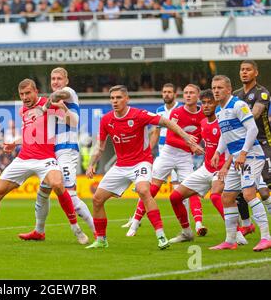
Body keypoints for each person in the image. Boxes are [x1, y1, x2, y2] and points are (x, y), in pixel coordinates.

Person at [0, 78, 87, 244]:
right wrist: (15, 142)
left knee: (58, 185)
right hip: (24, 158)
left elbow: (74, 122)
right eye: (21, 94)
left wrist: (63, 108)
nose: (25, 97)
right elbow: (30, 133)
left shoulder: (49, 103)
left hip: (45, 158)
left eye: (28, 93)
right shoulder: (23, 110)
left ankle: (77, 229)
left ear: (36, 91)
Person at [85, 85, 202, 249]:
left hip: (141, 162)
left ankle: (161, 236)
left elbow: (166, 122)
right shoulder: (106, 119)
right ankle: (101, 240)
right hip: (121, 166)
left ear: (127, 99)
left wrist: (186, 137)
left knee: (144, 190)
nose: (115, 101)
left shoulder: (138, 115)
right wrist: (92, 164)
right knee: (97, 199)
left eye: (118, 98)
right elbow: (100, 146)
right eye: (112, 98)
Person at [18, 67, 94, 243]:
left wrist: (43, 107)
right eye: (53, 79)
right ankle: (39, 231)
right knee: (43, 192)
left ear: (66, 81)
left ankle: (97, 231)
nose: (56, 82)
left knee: (71, 197)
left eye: (59, 78)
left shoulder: (68, 92)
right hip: (52, 153)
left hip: (66, 150)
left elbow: (61, 104)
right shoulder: (53, 103)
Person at [167, 89, 247, 245]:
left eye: (210, 102)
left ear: (216, 103)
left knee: (216, 196)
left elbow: (236, 146)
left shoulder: (223, 122)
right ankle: (187, 232)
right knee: (175, 197)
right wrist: (192, 146)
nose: (206, 106)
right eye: (203, 103)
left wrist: (226, 166)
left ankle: (236, 233)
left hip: (224, 169)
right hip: (206, 168)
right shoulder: (203, 123)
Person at [127, 84, 206, 237]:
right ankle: (135, 223)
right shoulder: (177, 112)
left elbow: (200, 135)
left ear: (198, 96)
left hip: (185, 157)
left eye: (191, 93)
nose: (188, 95)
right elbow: (170, 137)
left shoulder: (203, 114)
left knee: (191, 188)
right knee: (152, 189)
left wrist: (195, 147)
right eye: (186, 93)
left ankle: (198, 224)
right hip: (168, 153)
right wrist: (191, 144)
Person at [210, 75, 271, 251]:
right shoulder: (220, 111)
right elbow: (225, 134)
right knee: (227, 197)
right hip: (237, 158)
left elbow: (252, 129)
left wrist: (243, 153)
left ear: (228, 89)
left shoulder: (238, 105)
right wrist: (218, 152)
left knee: (249, 194)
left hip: (251, 156)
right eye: (214, 88)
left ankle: (266, 237)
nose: (216, 91)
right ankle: (230, 241)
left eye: (219, 88)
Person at [122, 83, 182, 229]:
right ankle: (136, 218)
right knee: (146, 189)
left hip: (178, 153)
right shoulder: (160, 110)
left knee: (179, 190)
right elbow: (155, 132)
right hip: (163, 155)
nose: (166, 94)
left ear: (175, 94)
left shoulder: (180, 109)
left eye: (169, 92)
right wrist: (147, 151)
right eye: (164, 92)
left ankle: (188, 224)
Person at [233, 60, 271, 236]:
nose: (244, 72)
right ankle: (247, 224)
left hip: (263, 144)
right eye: (242, 70)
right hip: (243, 146)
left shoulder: (262, 93)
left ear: (255, 73)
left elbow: (254, 115)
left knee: (266, 188)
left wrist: (236, 115)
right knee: (241, 188)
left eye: (248, 70)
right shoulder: (236, 94)